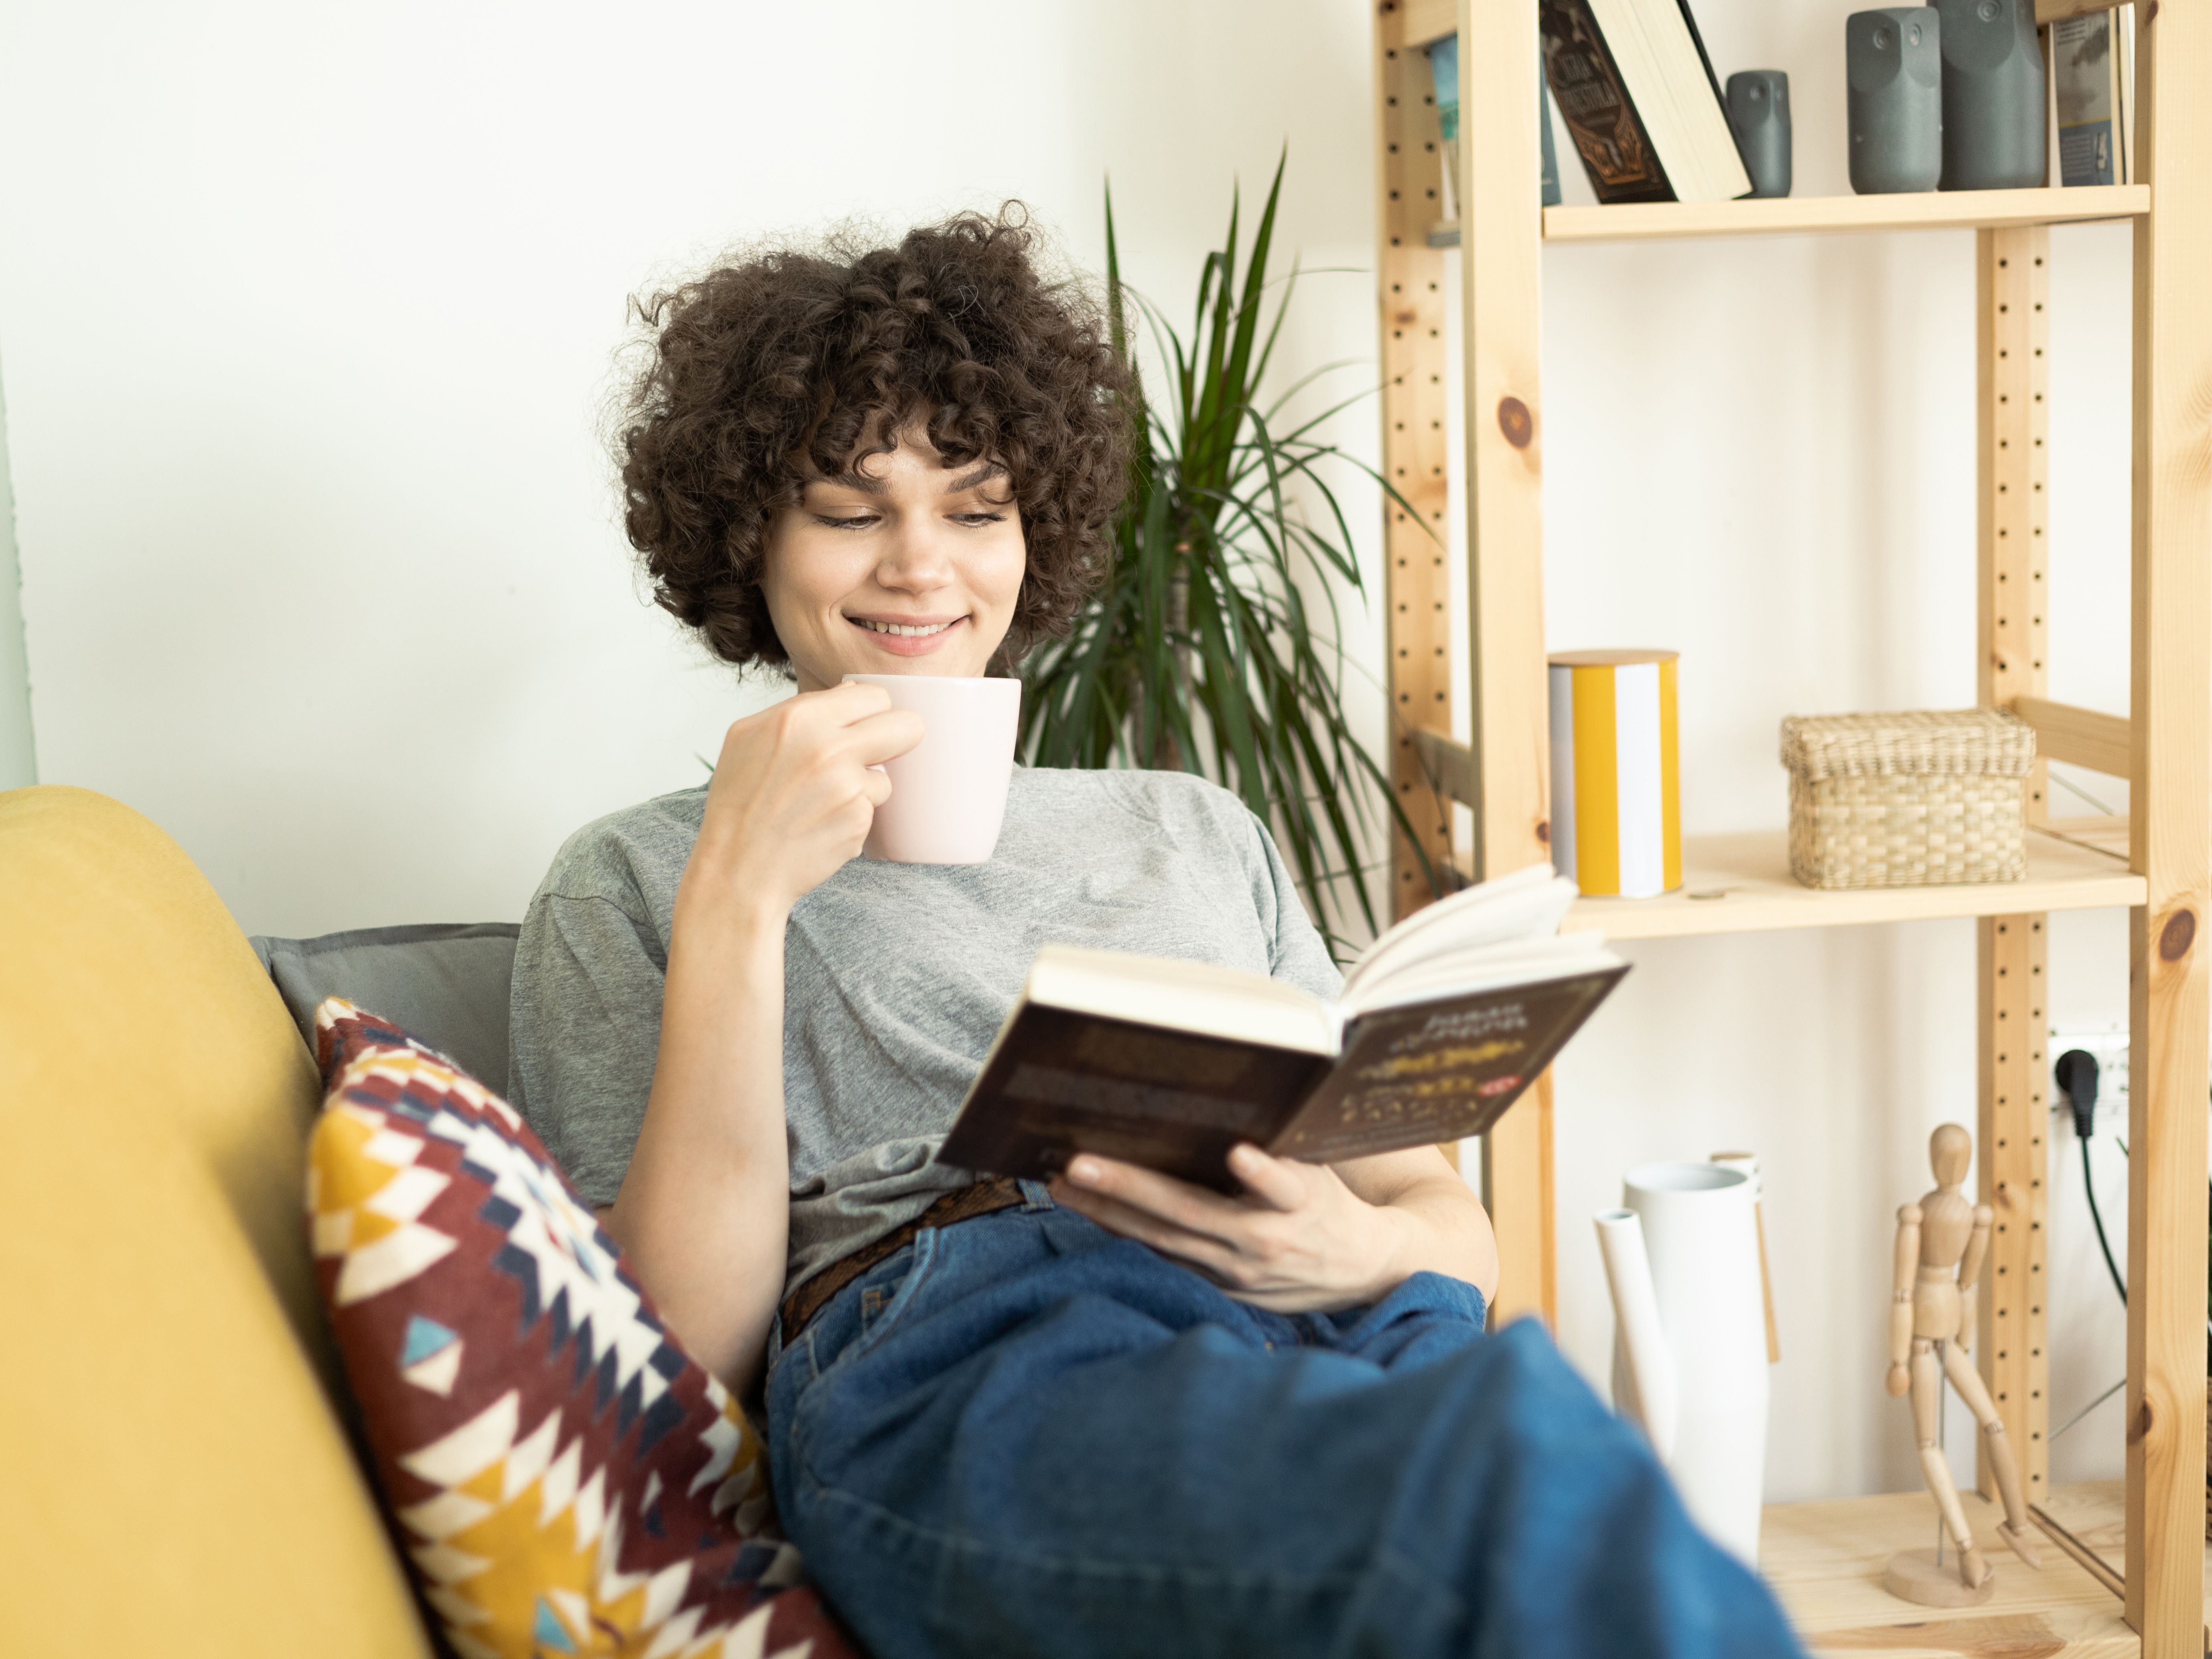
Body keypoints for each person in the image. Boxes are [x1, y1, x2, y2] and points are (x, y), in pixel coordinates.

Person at [509, 207, 1802, 1659]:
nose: (922, 566)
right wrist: (741, 898)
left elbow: (1450, 1219)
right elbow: (679, 1350)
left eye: (977, 507)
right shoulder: (637, 879)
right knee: (1498, 1505)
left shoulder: (1192, 824)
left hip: (1334, 1316)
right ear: (751, 535)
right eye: (853, 510)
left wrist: (1353, 1251)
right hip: (989, 1330)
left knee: (1558, 1473)